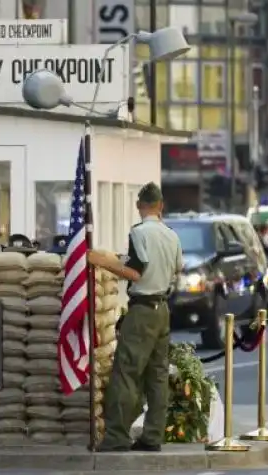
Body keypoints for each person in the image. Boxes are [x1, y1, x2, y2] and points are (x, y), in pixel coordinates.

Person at [87, 182, 183, 453]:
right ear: (161, 205)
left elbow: (135, 272)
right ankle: (153, 436)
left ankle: (116, 435)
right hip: (163, 309)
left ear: (139, 206)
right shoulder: (171, 235)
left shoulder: (139, 232)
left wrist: (102, 262)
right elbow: (178, 268)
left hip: (142, 310)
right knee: (157, 375)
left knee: (127, 372)